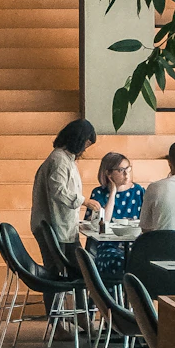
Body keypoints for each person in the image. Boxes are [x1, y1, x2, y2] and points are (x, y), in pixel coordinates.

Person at [30, 117, 96, 261]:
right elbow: (58, 191)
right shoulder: (59, 160)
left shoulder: (65, 159)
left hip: (61, 227)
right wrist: (84, 201)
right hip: (54, 227)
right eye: (86, 143)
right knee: (70, 266)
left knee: (77, 263)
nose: (85, 149)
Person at [83, 149, 144, 277]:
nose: (126, 174)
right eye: (121, 170)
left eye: (128, 168)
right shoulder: (98, 193)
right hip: (107, 247)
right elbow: (102, 223)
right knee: (119, 262)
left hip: (135, 246)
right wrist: (112, 193)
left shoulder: (139, 191)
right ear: (109, 174)